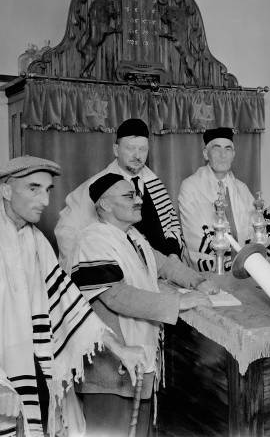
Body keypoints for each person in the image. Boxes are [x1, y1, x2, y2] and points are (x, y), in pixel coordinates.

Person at [0, 156, 145, 437]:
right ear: (7, 190)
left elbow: (68, 303)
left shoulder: (37, 242)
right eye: (33, 188)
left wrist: (118, 348)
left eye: (48, 190)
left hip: (30, 367)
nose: (45, 200)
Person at [69, 173, 217, 436]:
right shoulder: (93, 241)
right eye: (129, 195)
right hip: (110, 372)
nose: (139, 200)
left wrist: (197, 281)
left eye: (137, 194)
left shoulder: (133, 236)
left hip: (140, 361)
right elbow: (115, 295)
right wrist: (177, 301)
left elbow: (164, 264)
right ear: (104, 204)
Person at [55, 118, 183, 274]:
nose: (137, 156)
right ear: (116, 150)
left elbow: (171, 226)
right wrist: (95, 272)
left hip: (162, 271)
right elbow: (66, 232)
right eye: (130, 148)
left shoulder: (153, 182)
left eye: (143, 149)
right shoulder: (97, 188)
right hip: (121, 274)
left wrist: (173, 255)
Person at [178, 127, 255, 272]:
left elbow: (253, 230)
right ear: (206, 154)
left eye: (228, 149)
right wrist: (227, 264)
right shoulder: (190, 186)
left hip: (243, 268)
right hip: (210, 269)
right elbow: (195, 236)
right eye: (216, 149)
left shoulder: (242, 189)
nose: (222, 155)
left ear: (233, 155)